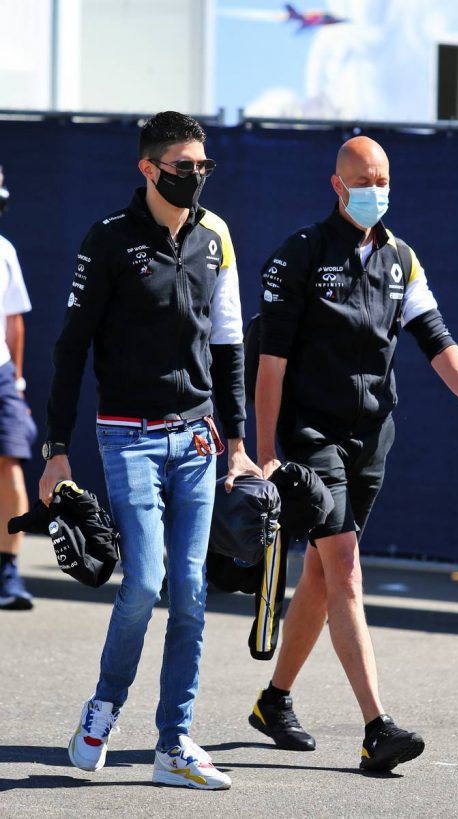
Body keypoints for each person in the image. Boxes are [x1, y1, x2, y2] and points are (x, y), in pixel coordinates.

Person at [249, 136, 458, 772]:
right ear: (337, 186)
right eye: (364, 181)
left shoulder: (401, 258)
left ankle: (273, 701)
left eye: (383, 179)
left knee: (321, 572)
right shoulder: (301, 254)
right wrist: (265, 454)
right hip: (312, 437)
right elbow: (270, 364)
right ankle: (376, 728)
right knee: (346, 568)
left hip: (371, 437)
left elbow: (434, 335)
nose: (376, 191)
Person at [39, 111, 260, 790]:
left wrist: (238, 445)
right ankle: (104, 707)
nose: (196, 176)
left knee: (190, 591)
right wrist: (55, 451)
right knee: (142, 581)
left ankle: (174, 743)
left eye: (203, 166)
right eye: (183, 166)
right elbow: (71, 347)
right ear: (148, 168)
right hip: (126, 433)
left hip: (197, 438)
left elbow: (229, 346)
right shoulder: (107, 238)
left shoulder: (216, 236)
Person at [0, 165, 37, 611]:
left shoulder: (4, 251)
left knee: (9, 463)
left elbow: (13, 321)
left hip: (2, 375)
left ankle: (7, 569)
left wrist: (19, 383)